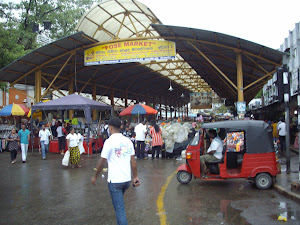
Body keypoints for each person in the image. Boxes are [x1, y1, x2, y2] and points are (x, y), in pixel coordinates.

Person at [91, 117, 140, 225]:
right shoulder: (128, 141)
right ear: (120, 127)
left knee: (120, 210)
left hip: (115, 182)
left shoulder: (109, 142)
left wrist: (95, 176)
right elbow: (133, 161)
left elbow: (102, 162)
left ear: (110, 128)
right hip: (126, 180)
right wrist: (135, 176)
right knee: (119, 206)